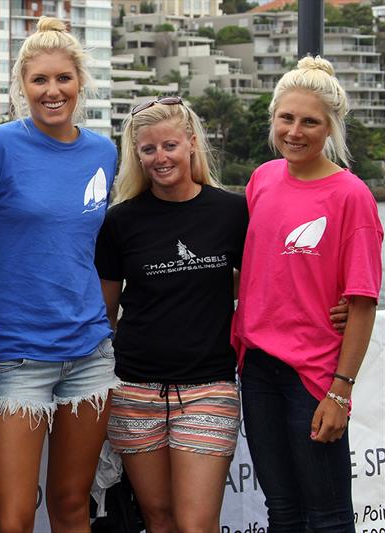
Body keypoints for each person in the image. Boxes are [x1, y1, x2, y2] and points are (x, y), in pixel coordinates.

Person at [0, 17, 119, 533]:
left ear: (81, 83)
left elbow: (101, 248)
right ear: (21, 87)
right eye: (40, 81)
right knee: (14, 516)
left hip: (90, 355)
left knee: (74, 507)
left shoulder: (104, 152)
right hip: (13, 355)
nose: (53, 91)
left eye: (63, 79)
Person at [233, 56, 383, 532]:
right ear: (273, 117)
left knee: (329, 517)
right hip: (257, 369)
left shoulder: (351, 195)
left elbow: (362, 301)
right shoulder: (262, 179)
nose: (295, 131)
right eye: (287, 118)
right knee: (283, 512)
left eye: (310, 121)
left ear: (331, 127)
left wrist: (340, 391)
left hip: (315, 376)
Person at [94, 96, 247, 532]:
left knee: (197, 522)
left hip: (208, 388)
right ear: (136, 156)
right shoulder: (119, 222)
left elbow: (262, 284)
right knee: (158, 518)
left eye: (170, 146)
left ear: (192, 144)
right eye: (148, 149)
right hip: (135, 391)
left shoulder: (232, 212)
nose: (160, 158)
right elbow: (106, 312)